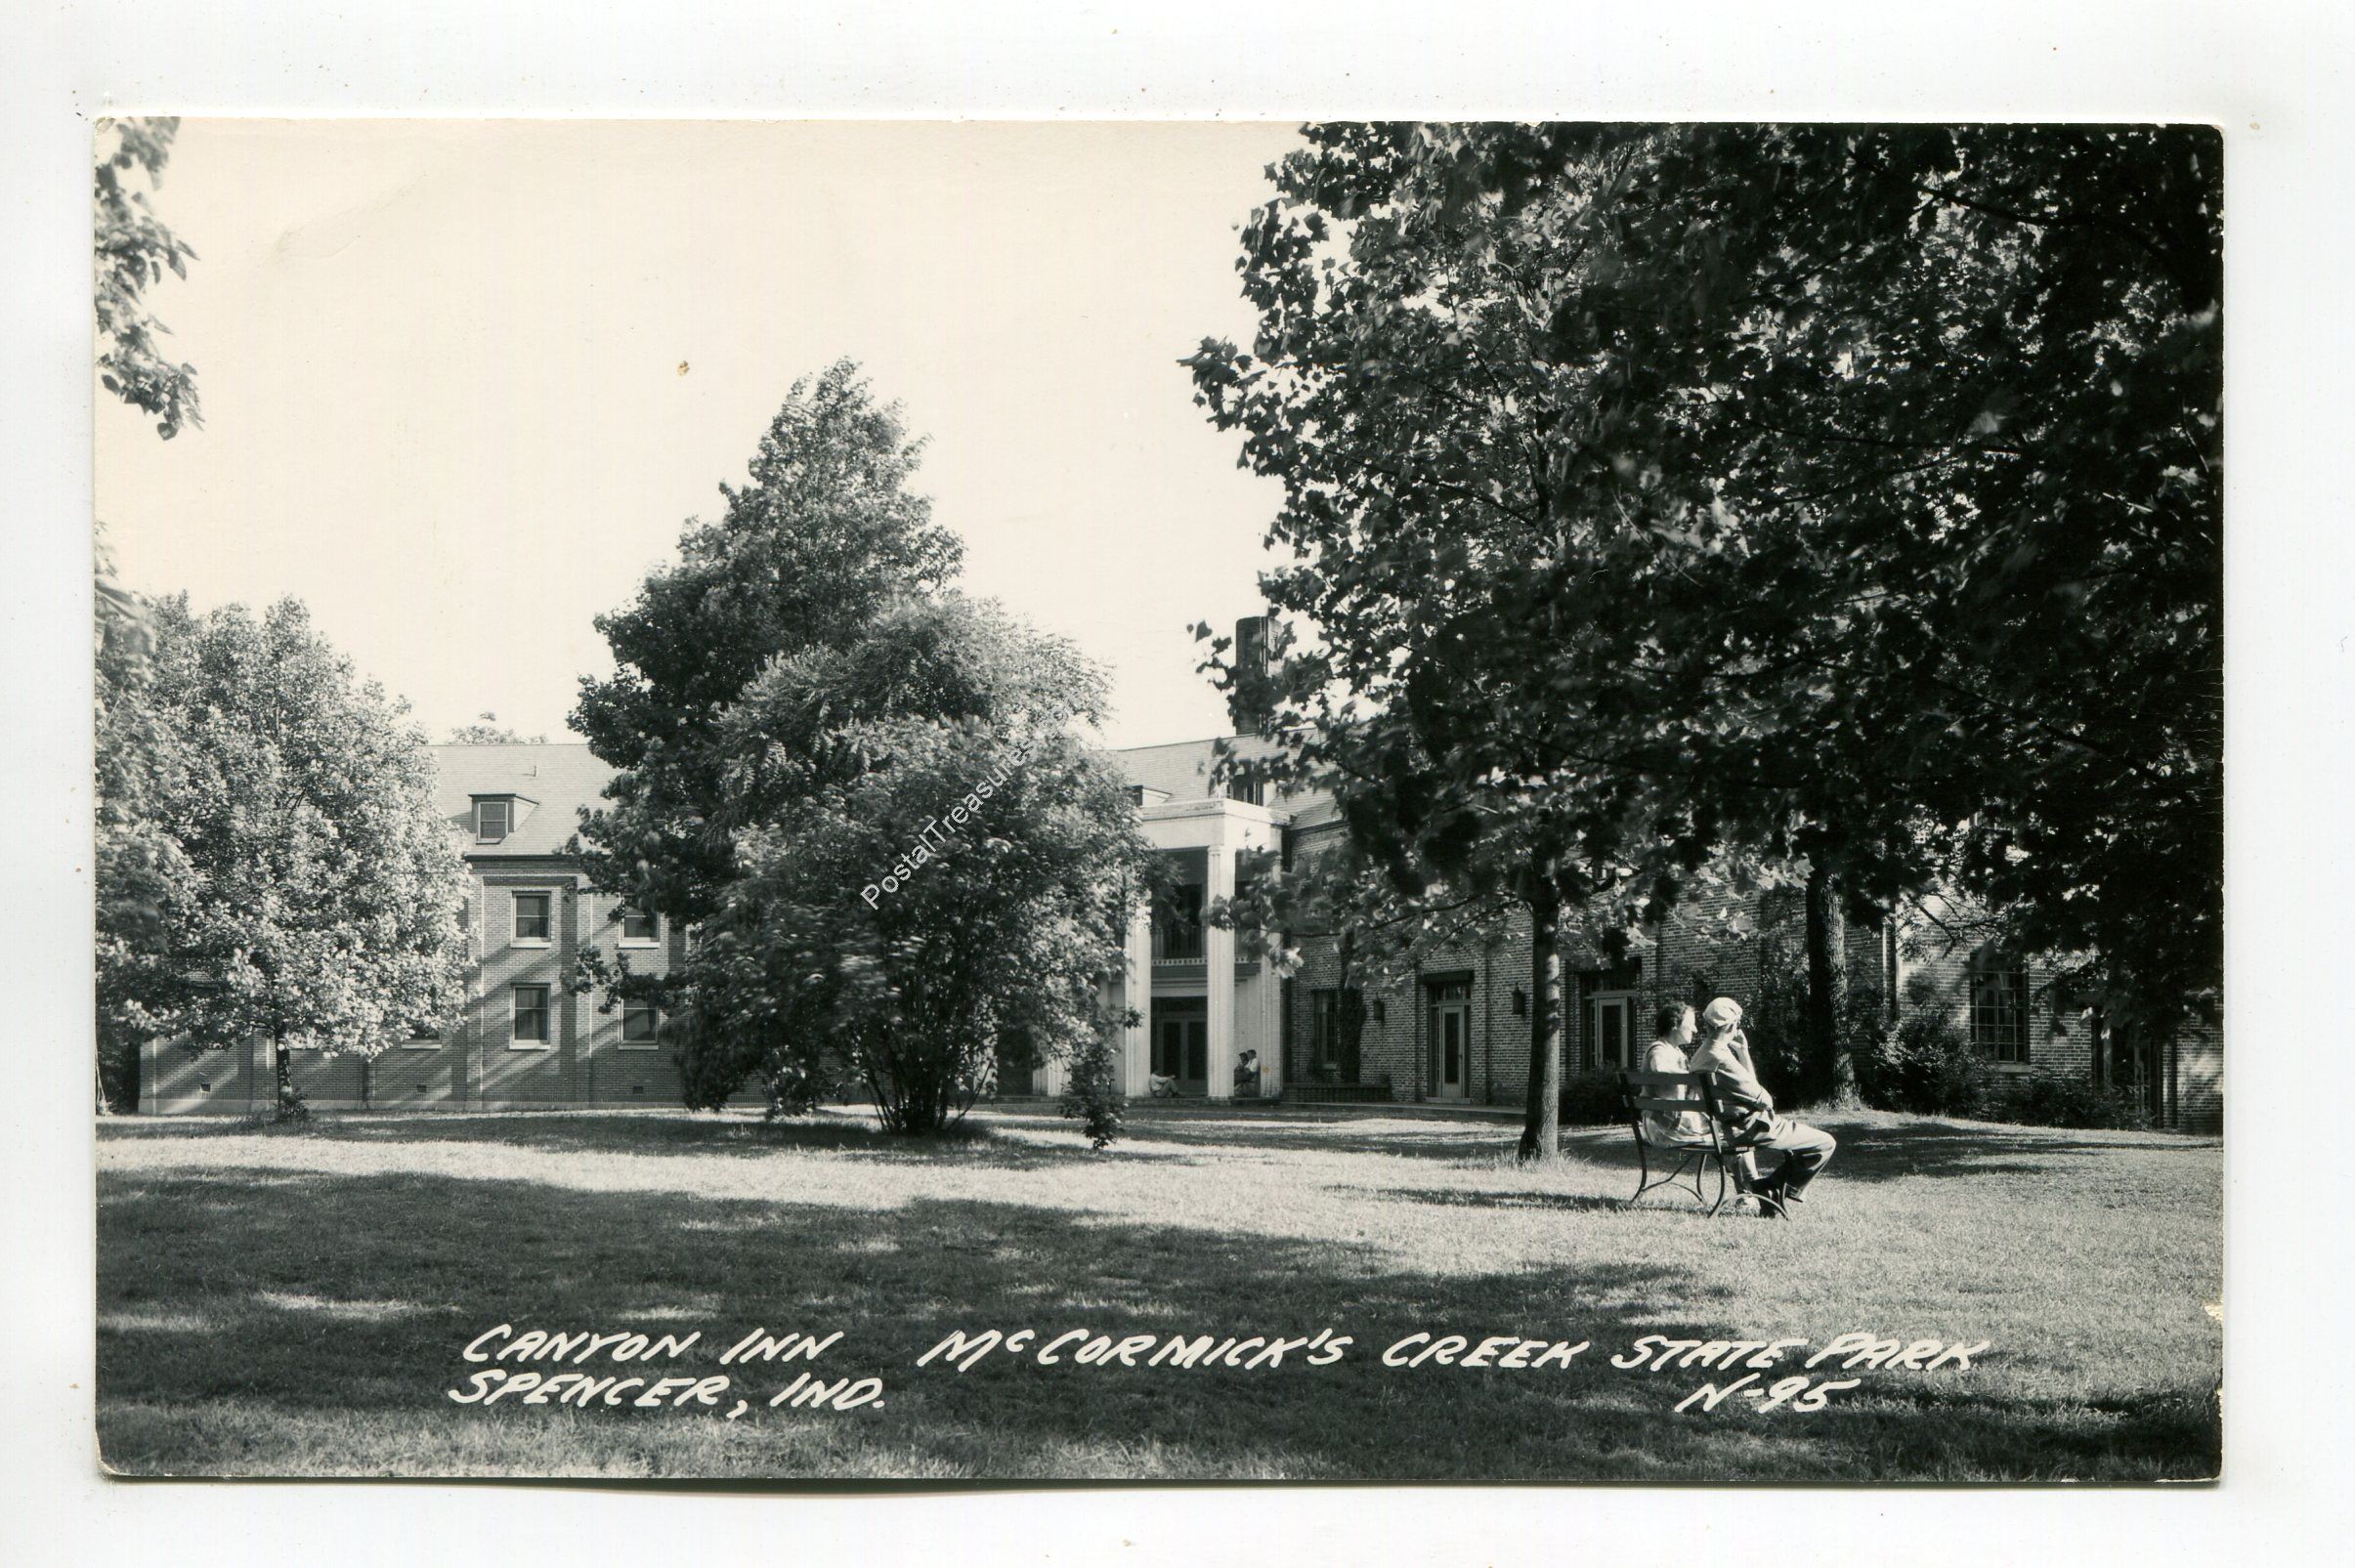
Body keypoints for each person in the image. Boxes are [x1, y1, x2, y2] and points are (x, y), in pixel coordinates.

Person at [1688, 996, 1837, 1219]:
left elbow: (1749, 1087)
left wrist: (1743, 1052)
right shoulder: (1722, 1059)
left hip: (1727, 1127)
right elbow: (1765, 1099)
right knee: (1825, 1143)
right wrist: (1743, 1058)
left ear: (1708, 1025)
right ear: (1731, 1025)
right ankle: (1771, 1187)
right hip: (1752, 1127)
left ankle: (1770, 1188)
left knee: (1815, 1143)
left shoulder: (1700, 1056)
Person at [1639, 1002, 1711, 1147]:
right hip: (1664, 1130)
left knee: (1731, 1129)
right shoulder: (1659, 1048)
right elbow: (1659, 1067)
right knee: (1732, 1133)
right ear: (1674, 1025)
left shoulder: (1677, 1052)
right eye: (1691, 1024)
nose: (1695, 1029)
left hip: (1671, 1125)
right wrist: (1691, 1075)